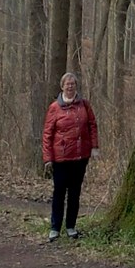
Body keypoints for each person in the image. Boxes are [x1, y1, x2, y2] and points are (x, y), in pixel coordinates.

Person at [42, 71, 99, 241]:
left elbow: (92, 125)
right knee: (59, 192)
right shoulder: (54, 108)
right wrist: (48, 158)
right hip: (61, 158)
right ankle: (55, 228)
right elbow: (47, 134)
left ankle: (71, 226)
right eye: (67, 84)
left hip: (80, 157)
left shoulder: (84, 105)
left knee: (75, 193)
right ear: (62, 87)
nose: (70, 86)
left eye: (73, 84)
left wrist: (94, 147)